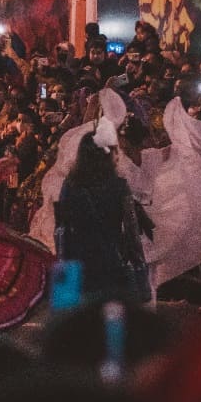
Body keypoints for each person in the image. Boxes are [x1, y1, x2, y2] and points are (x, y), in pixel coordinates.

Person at [55, 123, 152, 303]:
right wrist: (142, 277)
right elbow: (132, 234)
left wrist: (62, 270)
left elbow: (61, 229)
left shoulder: (69, 185)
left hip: (79, 263)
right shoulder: (119, 186)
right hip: (110, 263)